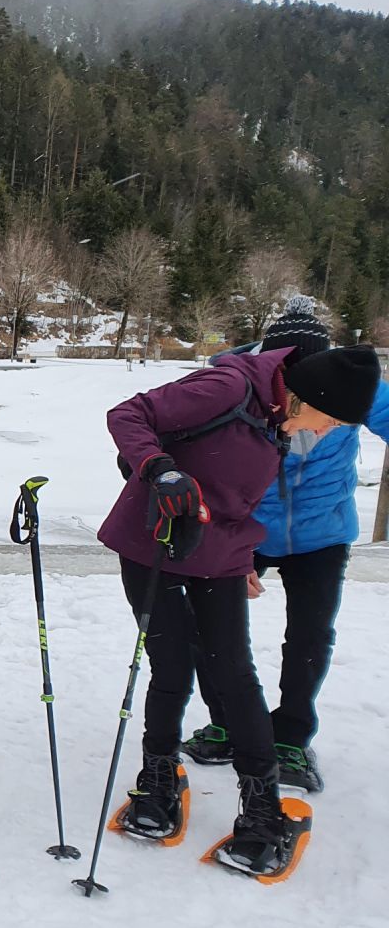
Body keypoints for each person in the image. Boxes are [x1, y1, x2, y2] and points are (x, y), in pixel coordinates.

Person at [97, 341, 382, 874]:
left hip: (221, 551)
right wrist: (160, 470)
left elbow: (239, 494)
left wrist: (246, 556)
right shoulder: (228, 387)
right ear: (309, 397)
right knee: (170, 665)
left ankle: (261, 808)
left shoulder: (279, 415)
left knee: (234, 672)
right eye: (331, 421)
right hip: (154, 540)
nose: (327, 433)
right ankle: (157, 782)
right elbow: (129, 415)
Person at [185, 298, 389, 792]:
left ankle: (291, 738)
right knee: (211, 626)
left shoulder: (349, 385)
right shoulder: (237, 383)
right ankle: (228, 723)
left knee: (310, 635)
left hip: (321, 532)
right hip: (244, 526)